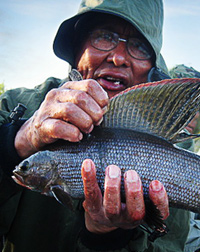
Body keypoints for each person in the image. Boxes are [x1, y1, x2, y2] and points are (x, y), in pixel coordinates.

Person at [0, 1, 199, 251]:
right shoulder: (13, 106)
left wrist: (106, 236)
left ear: (152, 67)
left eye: (139, 46)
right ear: (77, 47)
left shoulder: (174, 148)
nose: (118, 58)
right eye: (104, 36)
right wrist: (14, 141)